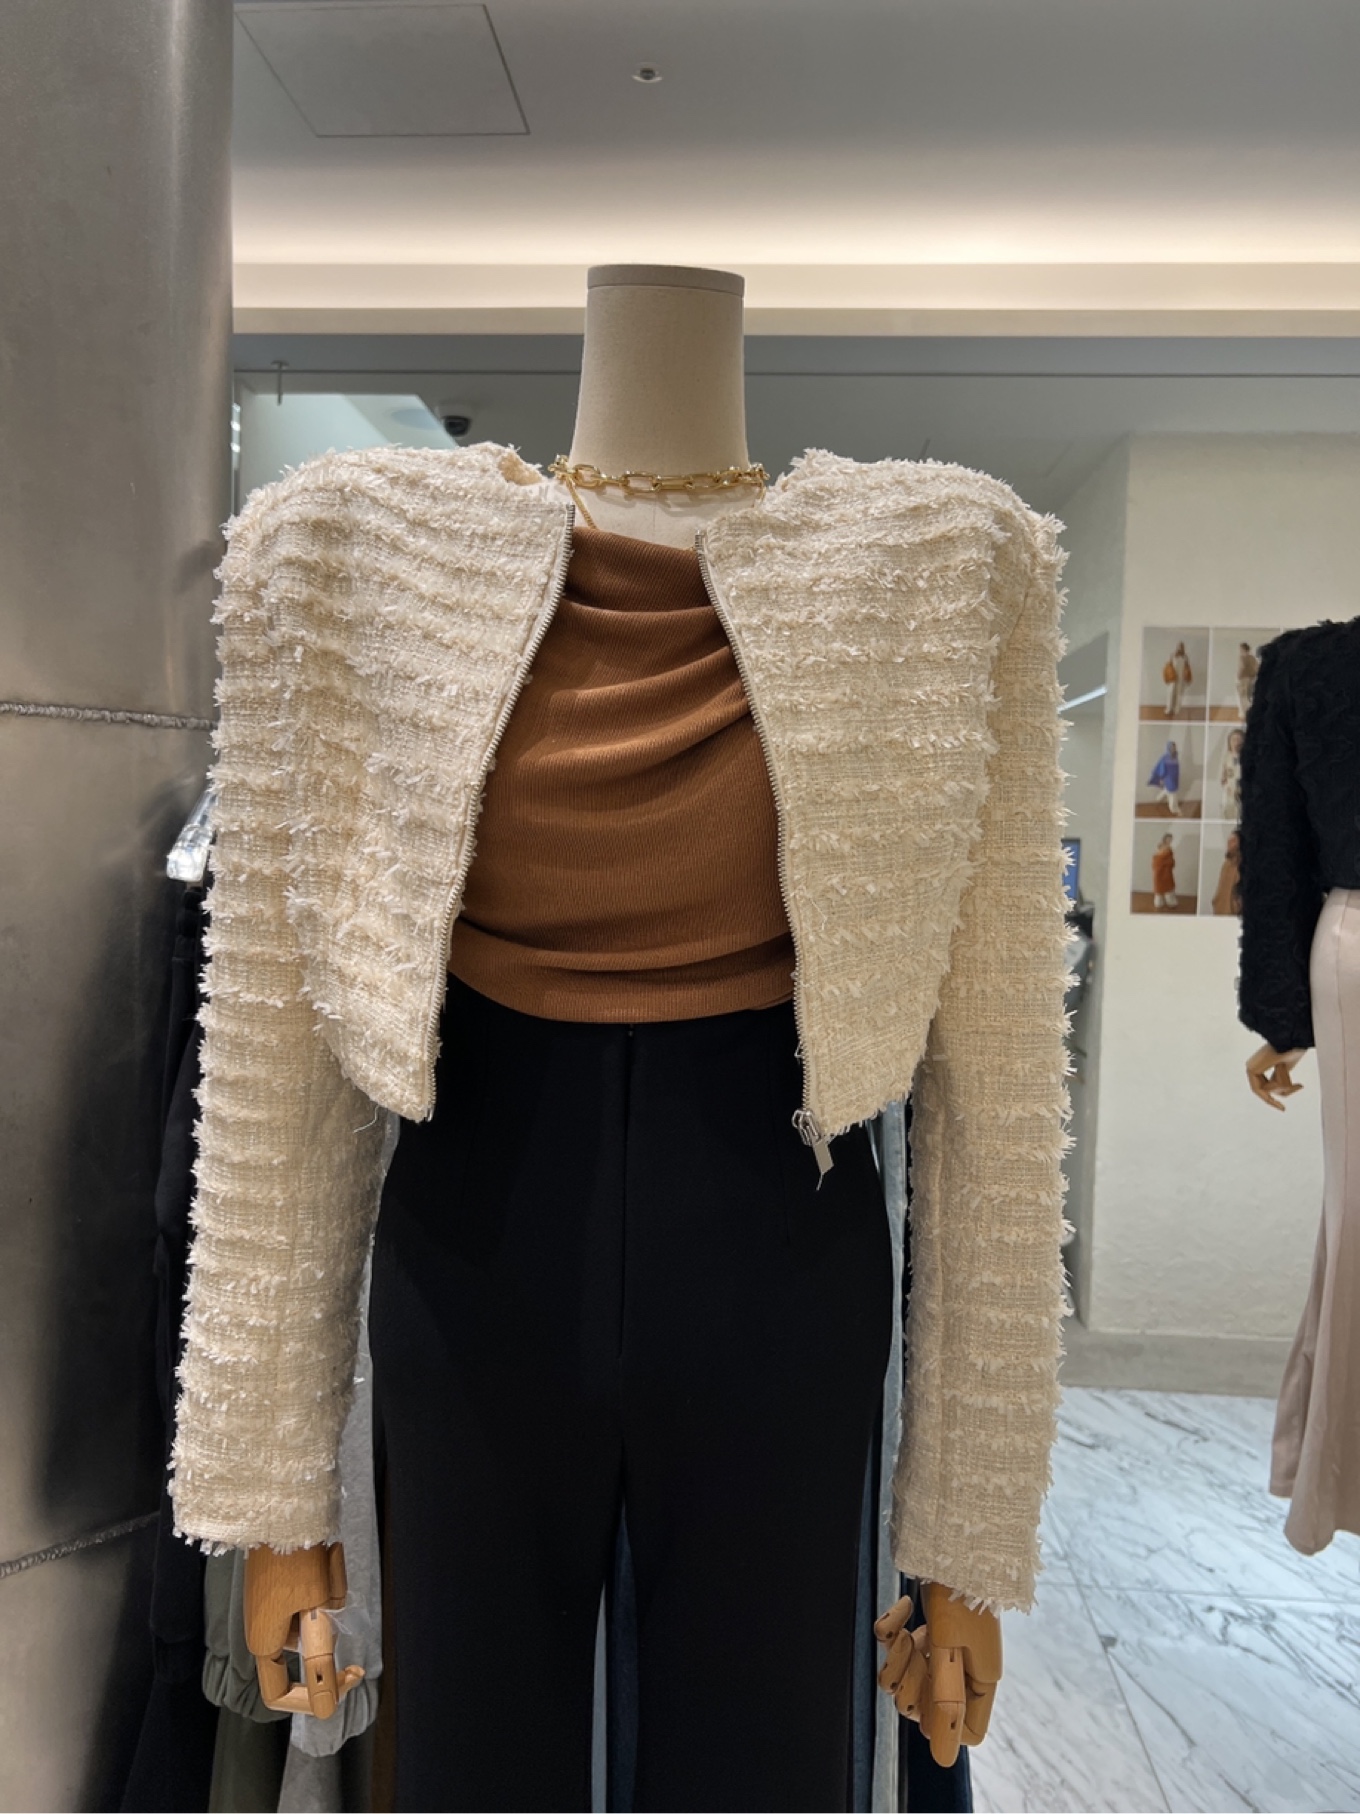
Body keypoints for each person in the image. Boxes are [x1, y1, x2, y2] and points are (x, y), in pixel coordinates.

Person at [1148, 738, 1182, 815]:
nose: (1174, 749)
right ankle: (1174, 809)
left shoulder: (1175, 757)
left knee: (1167, 790)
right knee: (1173, 793)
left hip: (1175, 778)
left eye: (1175, 747)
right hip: (1168, 778)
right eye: (1172, 747)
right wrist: (1161, 778)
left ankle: (1158, 799)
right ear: (1169, 748)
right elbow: (1161, 768)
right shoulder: (1165, 758)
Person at [1220, 727, 1245, 820]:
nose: (1236, 742)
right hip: (1229, 786)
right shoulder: (1227, 756)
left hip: (1241, 786)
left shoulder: (1245, 757)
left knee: (1241, 809)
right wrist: (1223, 778)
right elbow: (1224, 769)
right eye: (1233, 740)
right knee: (1228, 806)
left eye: (1239, 740)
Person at [1163, 640, 1193, 716]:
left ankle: (1176, 709)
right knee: (1170, 692)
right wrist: (1168, 675)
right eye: (1179, 647)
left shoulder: (1185, 657)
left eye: (1182, 647)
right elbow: (1168, 665)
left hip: (1181, 677)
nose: (1180, 648)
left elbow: (1187, 667)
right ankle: (1169, 709)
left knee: (1179, 693)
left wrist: (1187, 676)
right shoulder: (1172, 655)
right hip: (1173, 677)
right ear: (1177, 647)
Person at [1152, 832, 1178, 909]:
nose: (1169, 841)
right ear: (1165, 839)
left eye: (1171, 839)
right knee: (1159, 887)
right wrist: (1163, 862)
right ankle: (1159, 902)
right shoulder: (1160, 846)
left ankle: (1170, 902)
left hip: (1167, 871)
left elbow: (1170, 860)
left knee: (1168, 887)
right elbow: (1157, 858)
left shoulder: (1170, 849)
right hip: (1159, 871)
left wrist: (1170, 862)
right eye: (1168, 839)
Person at [1236, 640, 1260, 718]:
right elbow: (1257, 668)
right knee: (1249, 697)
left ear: (1243, 649)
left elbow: (1242, 667)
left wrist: (1238, 676)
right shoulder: (1252, 658)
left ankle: (1244, 713)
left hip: (1244, 679)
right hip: (1252, 679)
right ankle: (1250, 712)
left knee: (1243, 697)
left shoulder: (1242, 658)